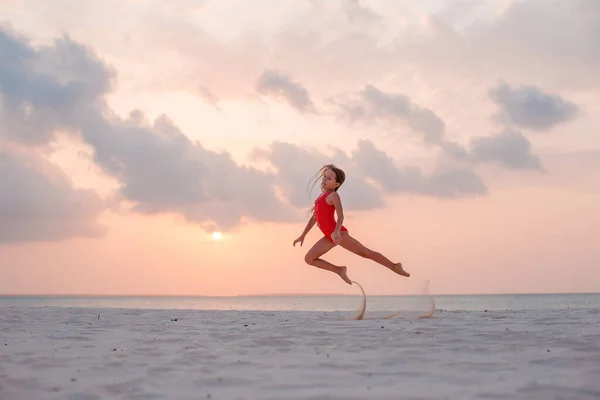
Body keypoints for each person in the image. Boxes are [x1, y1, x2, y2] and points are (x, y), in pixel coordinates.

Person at [293, 164, 410, 285]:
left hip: (339, 234)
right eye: (325, 177)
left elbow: (341, 216)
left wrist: (337, 231)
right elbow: (314, 219)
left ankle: (395, 266)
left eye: (329, 178)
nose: (324, 179)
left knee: (365, 253)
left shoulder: (333, 196)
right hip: (330, 236)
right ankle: (339, 270)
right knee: (309, 259)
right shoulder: (320, 197)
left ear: (336, 184)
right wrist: (303, 235)